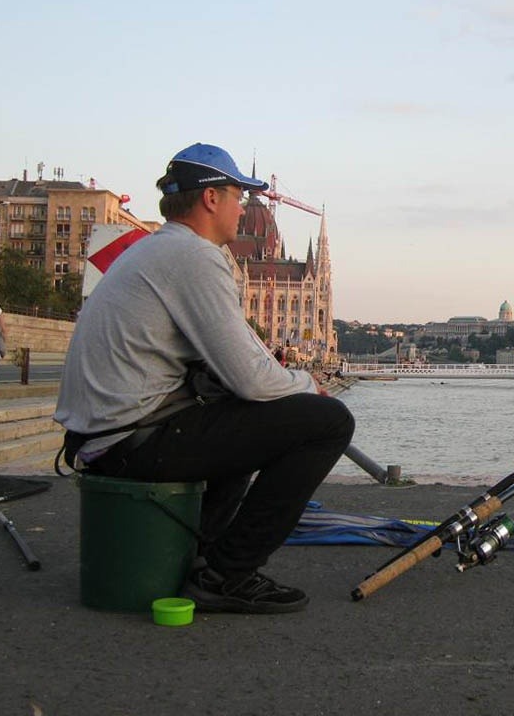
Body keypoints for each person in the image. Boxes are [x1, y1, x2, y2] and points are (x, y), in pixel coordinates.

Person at [55, 143, 355, 614]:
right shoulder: (193, 256)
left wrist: (281, 380)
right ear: (210, 198)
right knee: (329, 422)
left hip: (102, 437)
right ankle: (226, 573)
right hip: (128, 441)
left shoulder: (158, 249)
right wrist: (305, 386)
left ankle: (199, 557)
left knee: (240, 423)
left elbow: (238, 362)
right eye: (239, 196)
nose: (243, 208)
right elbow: (253, 378)